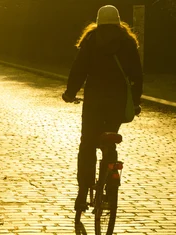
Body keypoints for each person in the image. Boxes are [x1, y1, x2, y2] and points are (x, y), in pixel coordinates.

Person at [62, 5, 143, 212]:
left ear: (98, 21)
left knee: (87, 144)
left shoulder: (91, 41)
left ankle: (82, 193)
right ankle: (111, 183)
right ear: (118, 21)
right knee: (110, 138)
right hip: (117, 101)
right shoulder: (127, 42)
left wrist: (70, 93)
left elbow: (79, 69)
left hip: (95, 100)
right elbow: (136, 74)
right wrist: (135, 101)